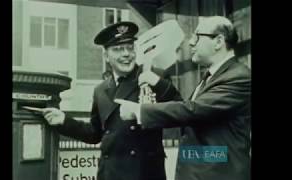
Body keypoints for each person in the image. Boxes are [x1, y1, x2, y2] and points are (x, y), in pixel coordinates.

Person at [115, 16, 251, 180]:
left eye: (197, 36)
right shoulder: (213, 76)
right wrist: (158, 83)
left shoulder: (238, 77)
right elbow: (192, 112)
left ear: (218, 41)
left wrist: (139, 111)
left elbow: (193, 110)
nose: (191, 43)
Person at [41, 21, 181, 180]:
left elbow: (179, 109)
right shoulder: (100, 89)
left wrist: (157, 82)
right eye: (118, 49)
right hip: (109, 174)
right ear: (106, 56)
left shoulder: (152, 77)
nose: (126, 54)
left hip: (144, 173)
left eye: (129, 47)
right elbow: (95, 134)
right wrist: (64, 121)